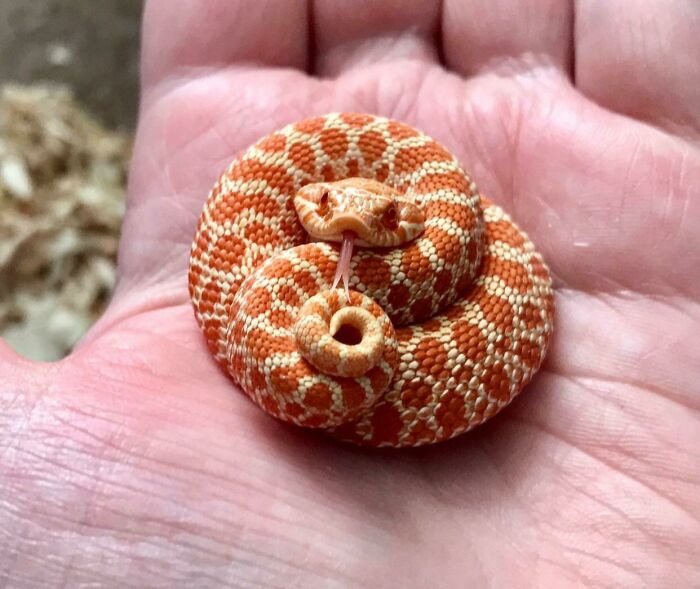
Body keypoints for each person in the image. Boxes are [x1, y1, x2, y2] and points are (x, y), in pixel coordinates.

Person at [1, 1, 698, 586]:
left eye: (385, 218)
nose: (350, 227)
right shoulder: (290, 222)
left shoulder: (442, 226)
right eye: (332, 204)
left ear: (410, 212)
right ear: (311, 196)